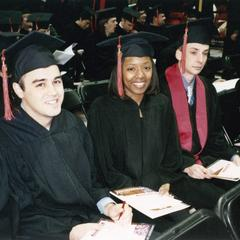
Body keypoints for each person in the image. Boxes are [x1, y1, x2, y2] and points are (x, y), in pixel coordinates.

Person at [0, 31, 132, 240]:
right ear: (18, 90)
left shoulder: (72, 124)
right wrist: (68, 233)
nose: (53, 92)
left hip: (92, 224)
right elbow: (12, 217)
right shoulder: (7, 140)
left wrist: (108, 206)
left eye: (57, 81)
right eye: (40, 84)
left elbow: (93, 182)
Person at [87, 32, 193, 232]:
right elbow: (102, 166)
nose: (140, 75)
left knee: (195, 227)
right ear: (119, 71)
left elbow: (172, 155)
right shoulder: (102, 109)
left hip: (161, 194)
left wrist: (166, 181)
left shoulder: (161, 104)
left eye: (146, 67)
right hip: (122, 198)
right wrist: (138, 191)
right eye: (130, 69)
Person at [159, 19, 240, 206]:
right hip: (174, 169)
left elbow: (215, 134)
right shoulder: (160, 91)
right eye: (193, 52)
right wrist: (186, 164)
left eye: (205, 53)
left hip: (205, 161)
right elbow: (158, 143)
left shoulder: (206, 87)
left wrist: (232, 156)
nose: (200, 60)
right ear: (179, 53)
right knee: (222, 203)